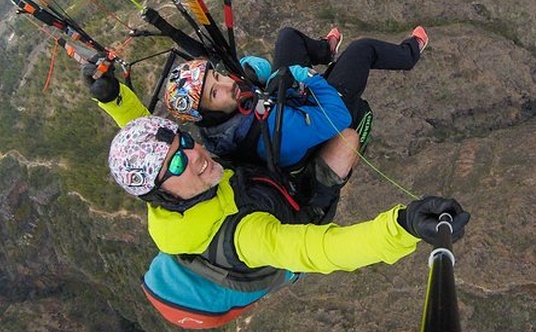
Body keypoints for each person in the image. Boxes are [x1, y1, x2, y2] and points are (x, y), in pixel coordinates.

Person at [107, 115, 469, 329]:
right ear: (163, 194)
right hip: (300, 212)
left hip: (268, 187)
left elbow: (146, 139)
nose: (193, 154)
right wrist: (404, 225)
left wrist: (112, 98)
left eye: (185, 140)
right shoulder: (243, 238)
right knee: (347, 140)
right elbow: (321, 249)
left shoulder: (181, 196)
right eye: (176, 164)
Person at [163, 25, 429, 169]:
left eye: (218, 77)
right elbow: (338, 116)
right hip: (316, 118)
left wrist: (260, 78)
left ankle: (326, 51)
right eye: (213, 92)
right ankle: (410, 54)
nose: (225, 84)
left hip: (286, 103)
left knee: (288, 37)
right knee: (362, 49)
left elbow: (249, 96)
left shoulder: (221, 121)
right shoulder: (275, 129)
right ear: (206, 113)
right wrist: (307, 77)